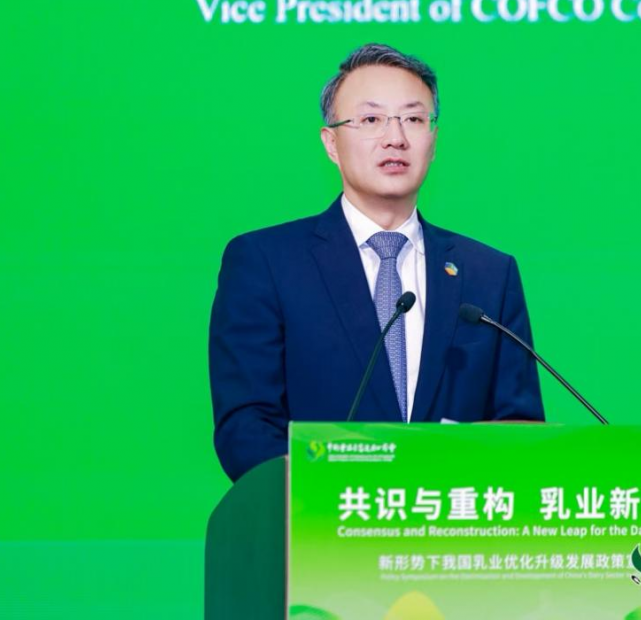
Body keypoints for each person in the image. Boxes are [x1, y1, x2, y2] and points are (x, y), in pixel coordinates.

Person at [209, 43, 544, 482]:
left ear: (433, 140)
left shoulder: (488, 274)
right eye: (371, 120)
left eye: (413, 119)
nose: (395, 138)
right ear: (331, 143)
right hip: (323, 517)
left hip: (452, 519)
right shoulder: (266, 262)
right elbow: (246, 427)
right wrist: (336, 492)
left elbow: (519, 430)